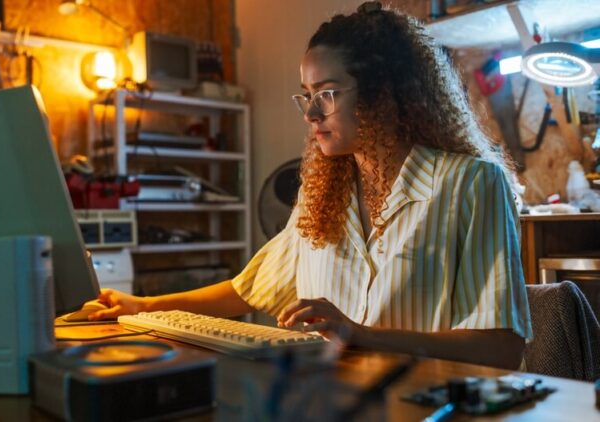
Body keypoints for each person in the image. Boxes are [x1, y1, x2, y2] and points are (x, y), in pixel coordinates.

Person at [88, 1, 532, 370]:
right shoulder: (323, 195)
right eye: (307, 94)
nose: (311, 114)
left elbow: (501, 349)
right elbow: (248, 287)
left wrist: (361, 336)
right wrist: (143, 307)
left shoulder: (470, 184)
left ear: (384, 93)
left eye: (328, 92)